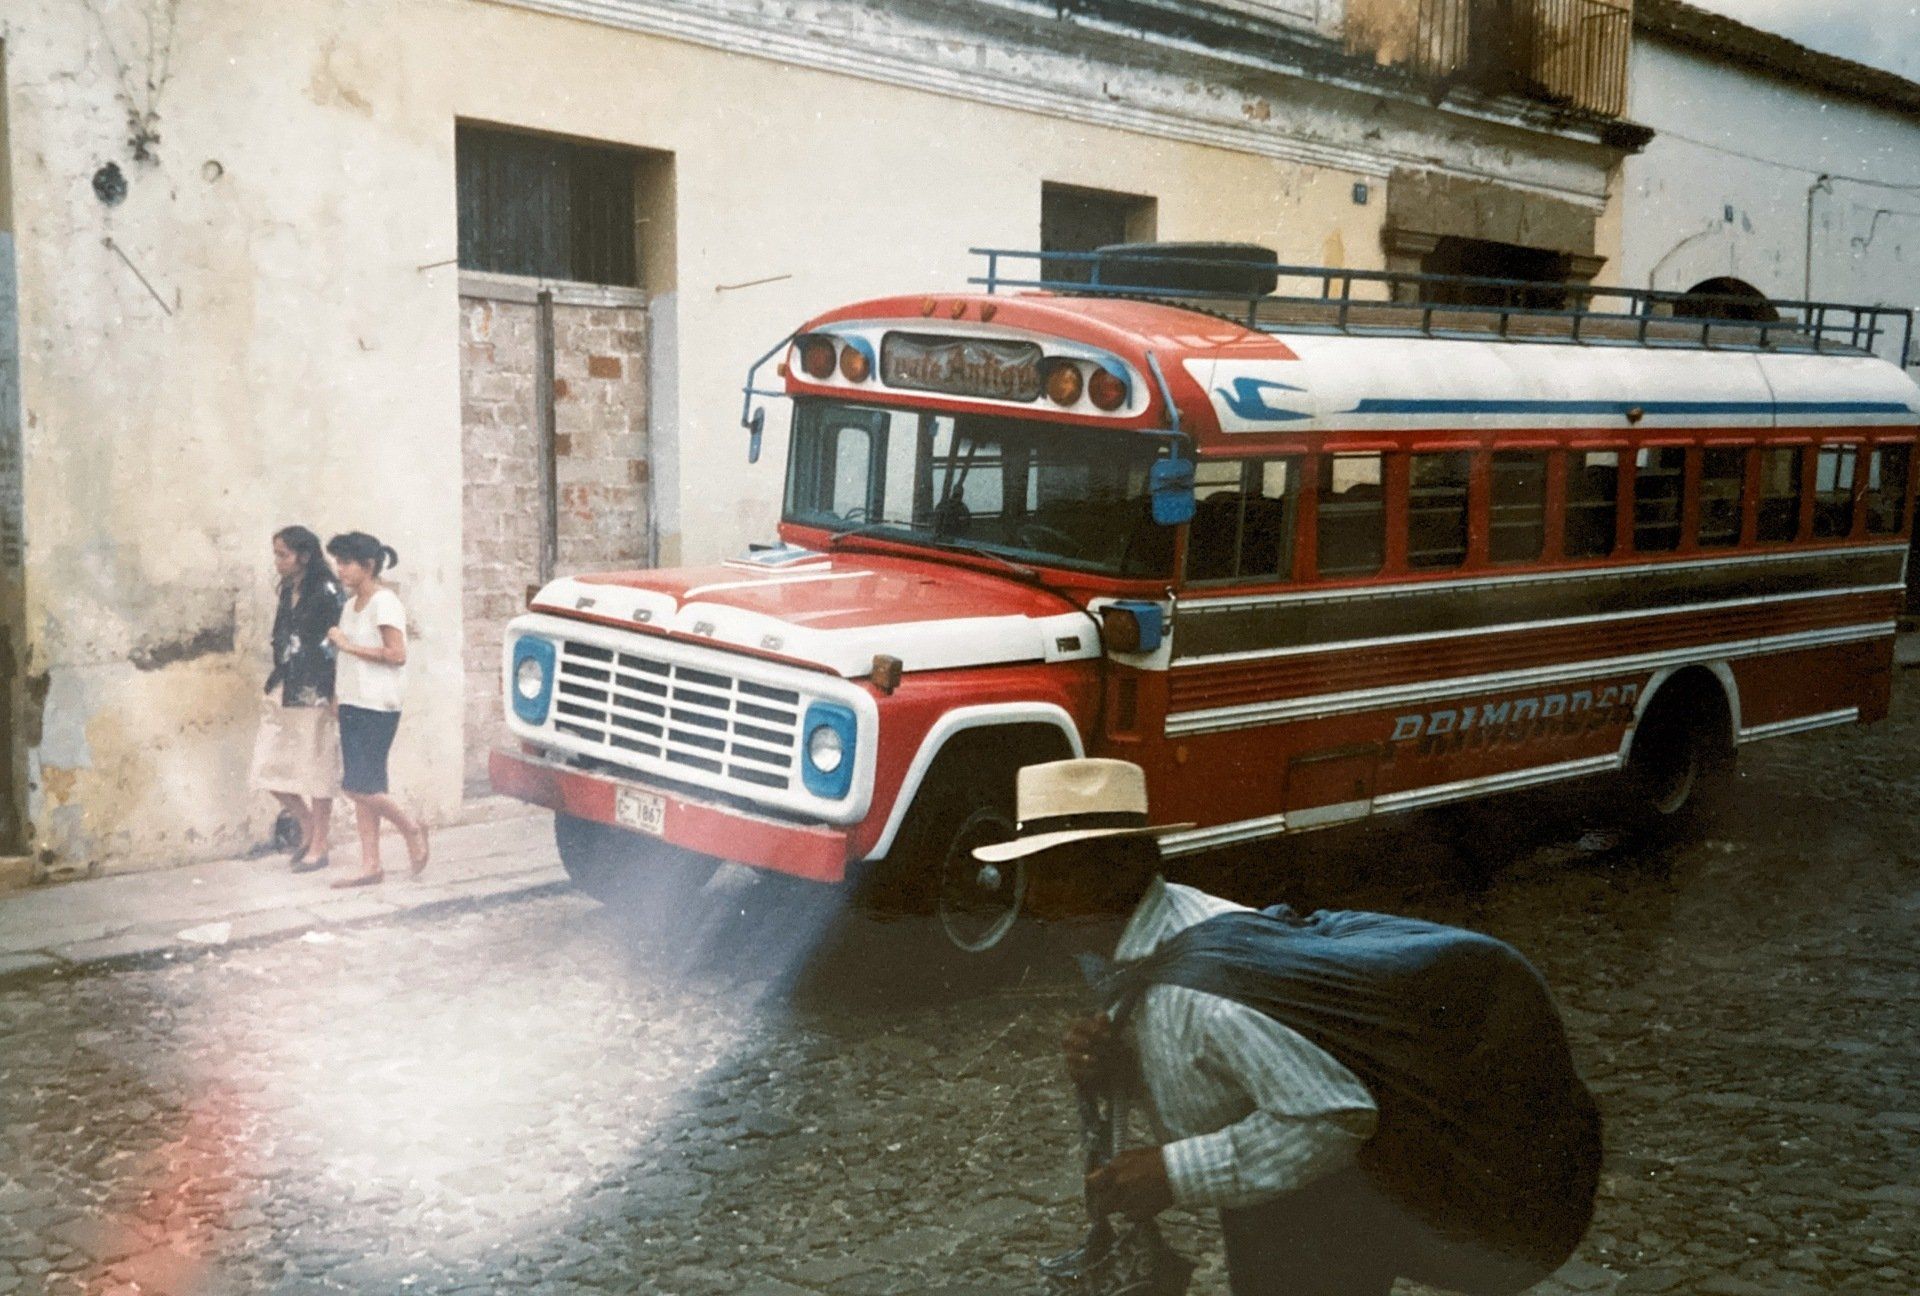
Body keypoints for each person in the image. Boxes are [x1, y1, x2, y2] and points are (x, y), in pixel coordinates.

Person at [984, 759, 1598, 1296]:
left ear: (1121, 867)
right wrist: (1118, 1064)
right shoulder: (1171, 927)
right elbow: (1207, 1070)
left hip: (1320, 1216)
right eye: (1031, 875)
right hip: (1277, 1200)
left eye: (1054, 874)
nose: (1034, 899)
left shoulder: (1203, 996)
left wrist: (1175, 1172)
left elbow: (1334, 1113)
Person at [323, 531, 428, 887]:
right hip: (353, 701)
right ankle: (371, 865)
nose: (340, 569)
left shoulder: (385, 602)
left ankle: (410, 827)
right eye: (338, 562)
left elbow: (397, 654)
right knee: (367, 785)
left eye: (346, 563)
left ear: (368, 566)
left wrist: (348, 646)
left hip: (378, 704)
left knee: (357, 786)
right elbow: (347, 660)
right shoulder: (350, 605)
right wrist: (338, 695)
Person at [247, 526, 343, 873]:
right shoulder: (289, 589)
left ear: (304, 556)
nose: (277, 561)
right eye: (276, 554)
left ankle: (320, 843)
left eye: (283, 554)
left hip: (316, 690)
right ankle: (307, 823)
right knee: (266, 764)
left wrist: (333, 693)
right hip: (285, 683)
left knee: (318, 766)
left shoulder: (327, 590)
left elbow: (337, 646)